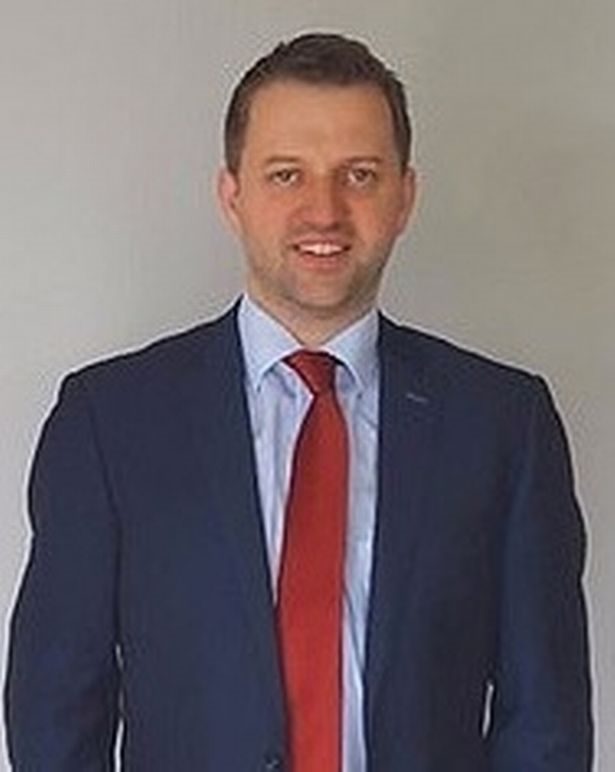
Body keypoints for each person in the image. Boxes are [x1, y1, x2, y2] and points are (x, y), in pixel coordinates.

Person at [4, 32, 593, 771]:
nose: (324, 211)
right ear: (232, 196)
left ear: (404, 196)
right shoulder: (110, 423)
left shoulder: (503, 426)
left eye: (359, 175)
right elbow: (54, 715)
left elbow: (545, 723)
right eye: (286, 175)